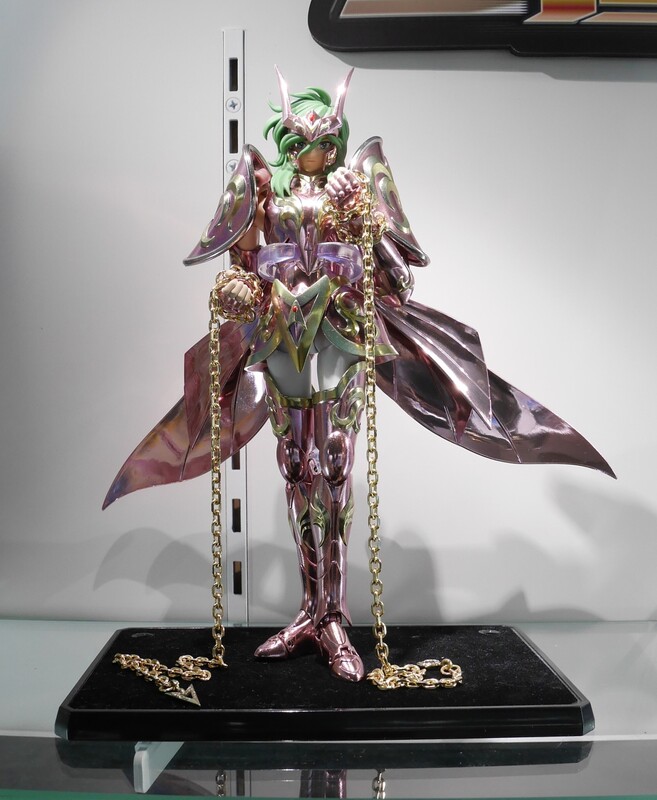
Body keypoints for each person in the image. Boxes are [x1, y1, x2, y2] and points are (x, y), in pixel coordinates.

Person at [104, 68, 613, 683]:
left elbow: (398, 278)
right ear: (286, 140)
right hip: (283, 342)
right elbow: (241, 270)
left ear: (335, 141)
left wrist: (361, 222)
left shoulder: (356, 186)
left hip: (339, 340)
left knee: (335, 466)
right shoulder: (265, 194)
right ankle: (309, 611)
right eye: (299, 140)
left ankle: (333, 616)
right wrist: (237, 290)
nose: (309, 151)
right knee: (295, 466)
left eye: (320, 139)